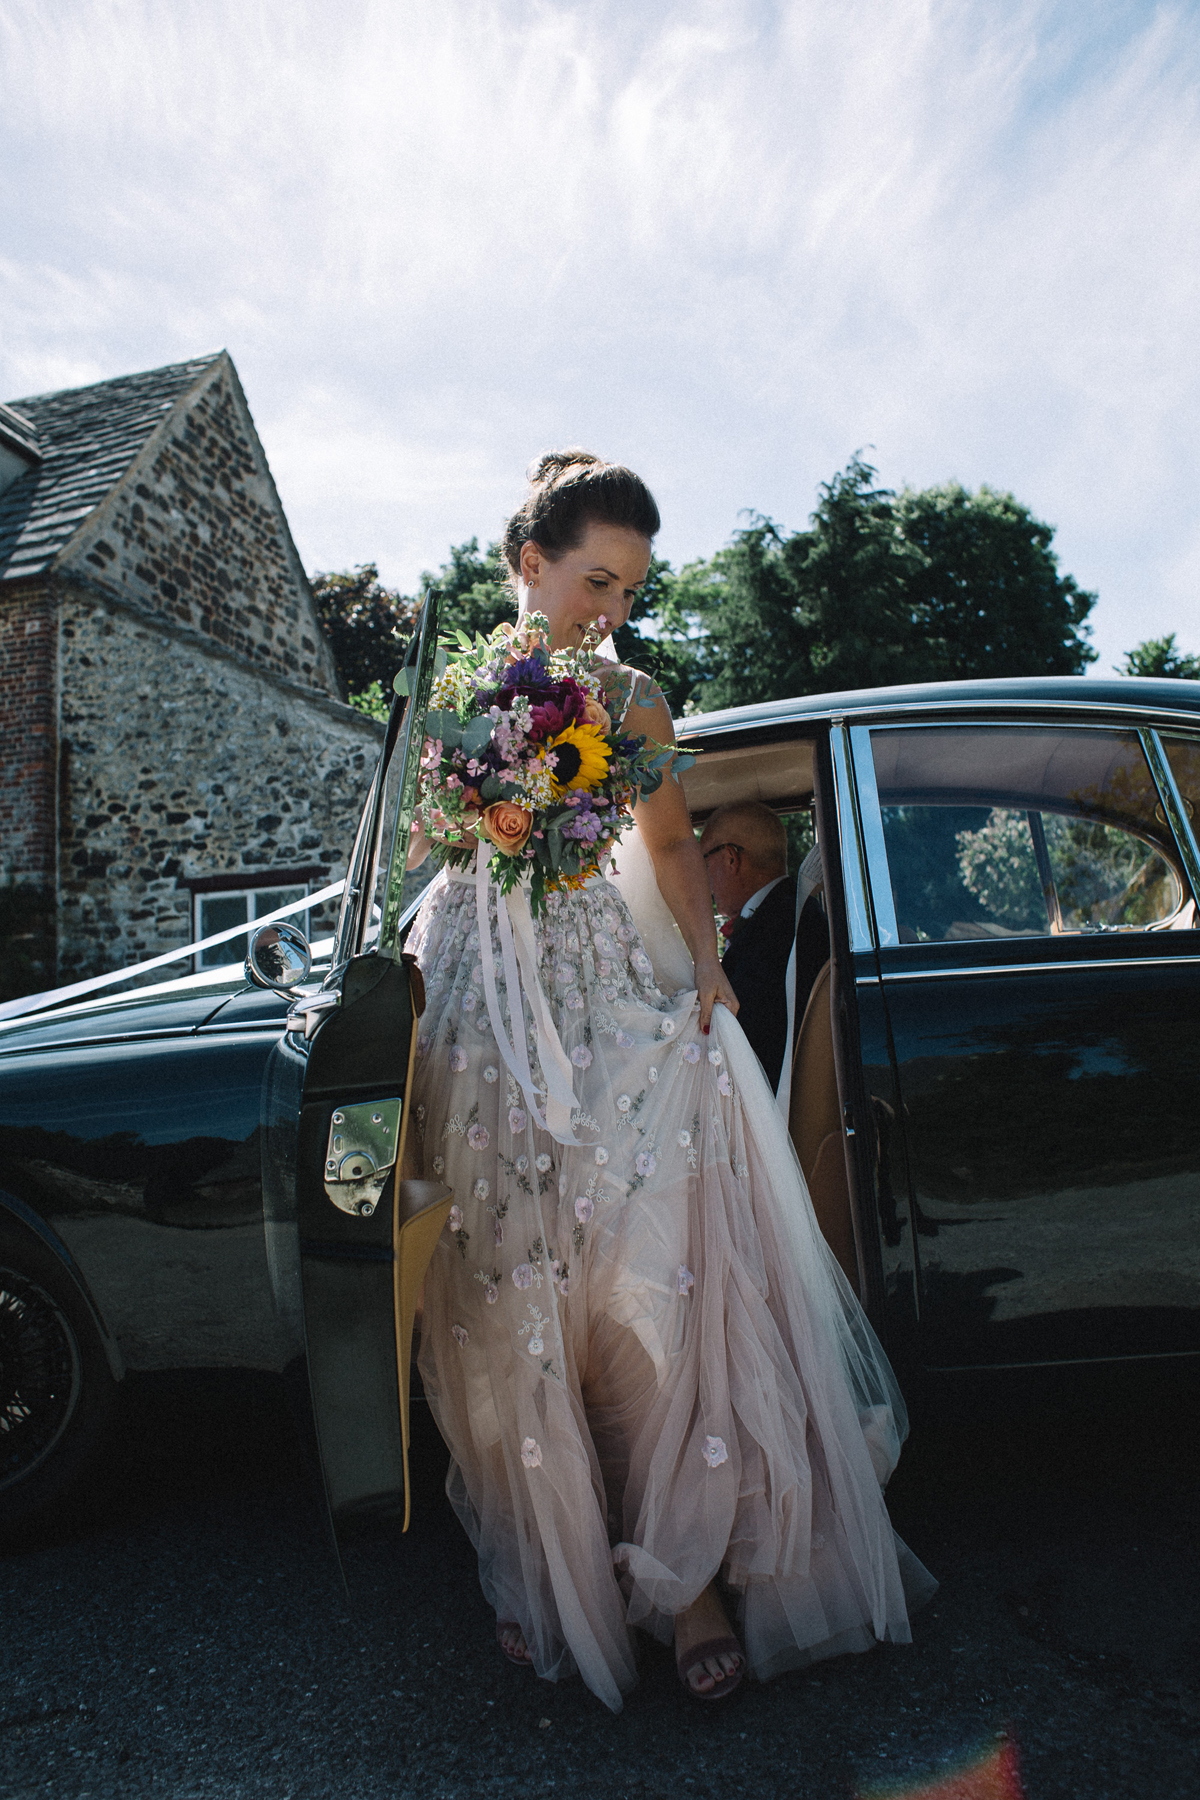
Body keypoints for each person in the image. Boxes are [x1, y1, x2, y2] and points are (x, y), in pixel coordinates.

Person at [406, 451, 934, 1712]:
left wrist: (706, 970)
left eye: (630, 589)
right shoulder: (466, 697)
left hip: (603, 1000)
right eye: (593, 580)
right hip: (484, 1005)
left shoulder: (633, 697)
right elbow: (441, 847)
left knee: (645, 1278)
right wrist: (479, 801)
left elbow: (666, 845)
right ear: (529, 567)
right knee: (509, 1292)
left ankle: (689, 1576)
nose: (610, 611)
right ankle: (559, 1566)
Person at [699, 803, 828, 1092]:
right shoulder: (786, 915)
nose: (704, 882)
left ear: (731, 859)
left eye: (704, 861)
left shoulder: (780, 930)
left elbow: (740, 1032)